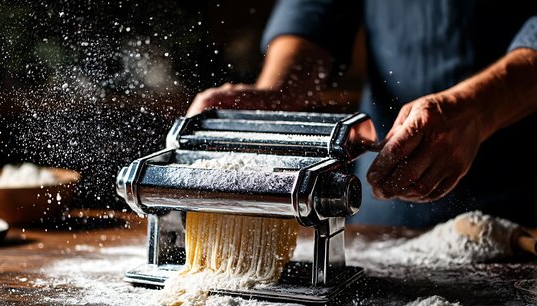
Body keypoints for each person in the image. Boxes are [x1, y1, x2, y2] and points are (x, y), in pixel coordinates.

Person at [186, 0, 537, 228]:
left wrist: (476, 107)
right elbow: (315, 10)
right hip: (380, 213)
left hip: (521, 208)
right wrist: (279, 94)